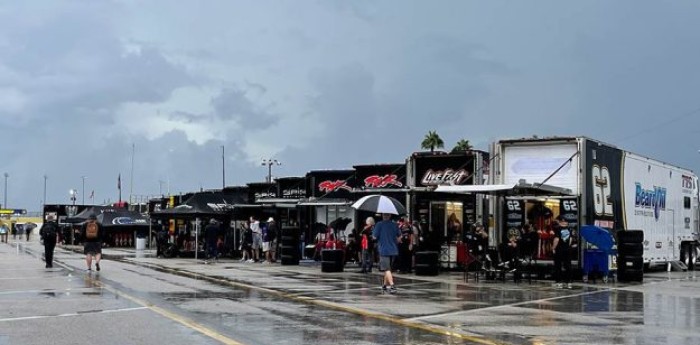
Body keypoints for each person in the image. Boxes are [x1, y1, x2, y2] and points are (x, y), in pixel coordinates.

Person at [372, 213, 401, 294]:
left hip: (384, 250)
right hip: (393, 250)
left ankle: (392, 286)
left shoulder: (379, 224)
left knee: (387, 269)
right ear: (390, 216)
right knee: (388, 269)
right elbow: (399, 236)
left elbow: (374, 237)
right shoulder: (395, 225)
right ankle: (384, 285)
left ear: (382, 215)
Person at [552, 215, 573, 289]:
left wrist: (553, 248)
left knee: (558, 266)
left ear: (559, 221)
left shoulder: (557, 229)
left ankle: (559, 282)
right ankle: (569, 283)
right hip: (567, 250)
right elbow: (570, 240)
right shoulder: (569, 229)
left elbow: (556, 239)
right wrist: (567, 246)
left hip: (559, 250)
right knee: (568, 266)